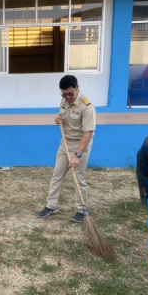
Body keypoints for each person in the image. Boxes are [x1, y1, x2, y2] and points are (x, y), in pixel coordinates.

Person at [37, 75, 96, 223]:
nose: (67, 97)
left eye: (70, 94)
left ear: (77, 88)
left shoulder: (87, 107)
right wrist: (58, 120)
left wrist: (77, 155)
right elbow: (61, 116)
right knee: (57, 174)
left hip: (80, 145)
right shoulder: (64, 100)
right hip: (65, 143)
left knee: (78, 178)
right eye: (64, 94)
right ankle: (51, 206)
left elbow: (88, 133)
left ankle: (82, 210)